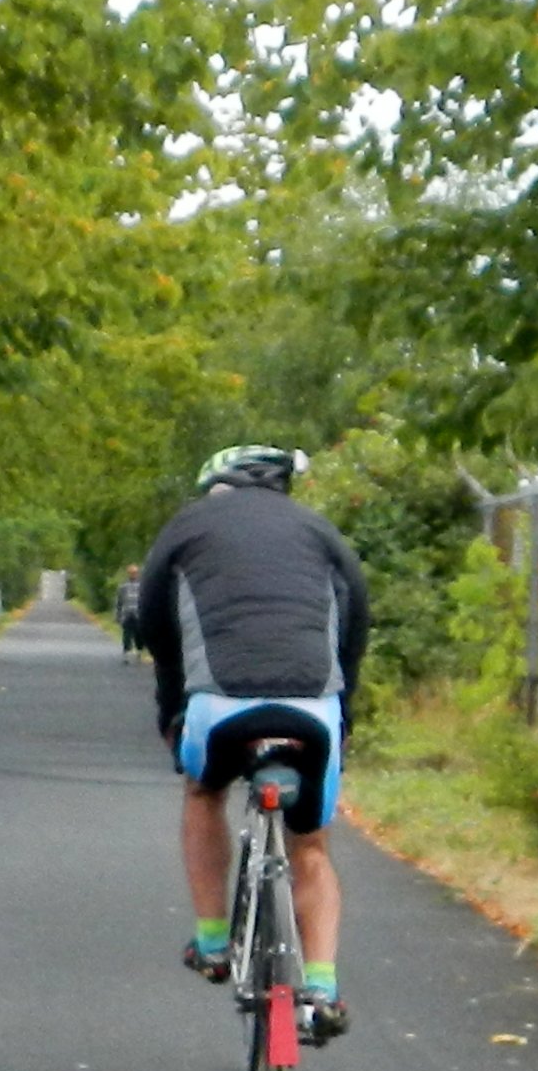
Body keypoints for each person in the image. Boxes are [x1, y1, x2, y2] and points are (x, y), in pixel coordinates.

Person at [132, 443, 368, 1040]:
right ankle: (322, 989)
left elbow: (155, 623)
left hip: (219, 707)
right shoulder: (321, 531)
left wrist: (172, 709)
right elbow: (357, 616)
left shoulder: (187, 526)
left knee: (202, 792)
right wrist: (343, 711)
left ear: (219, 485)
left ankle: (213, 940)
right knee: (310, 847)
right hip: (312, 709)